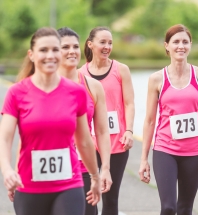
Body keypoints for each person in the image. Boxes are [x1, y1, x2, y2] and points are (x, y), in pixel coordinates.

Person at [0, 27, 101, 215]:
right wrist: (7, 171)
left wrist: (95, 176)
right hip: (29, 184)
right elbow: (5, 139)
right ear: (31, 55)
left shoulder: (76, 92)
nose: (50, 55)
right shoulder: (16, 93)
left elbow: (85, 141)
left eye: (55, 49)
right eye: (43, 50)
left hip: (69, 184)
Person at [138, 24, 198, 215]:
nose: (181, 46)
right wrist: (143, 158)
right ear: (167, 46)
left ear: (190, 45)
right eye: (176, 42)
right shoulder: (156, 79)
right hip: (165, 150)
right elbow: (149, 120)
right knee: (169, 207)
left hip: (194, 152)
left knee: (185, 208)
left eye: (185, 42)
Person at [79, 26, 135, 215]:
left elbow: (129, 103)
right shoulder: (80, 74)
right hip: (88, 144)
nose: (107, 46)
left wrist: (129, 130)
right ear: (90, 44)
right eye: (102, 42)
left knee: (110, 199)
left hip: (116, 144)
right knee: (89, 199)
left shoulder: (121, 70)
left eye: (110, 42)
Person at [57, 27, 112, 215]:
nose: (72, 51)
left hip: (85, 168)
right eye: (65, 47)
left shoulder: (93, 86)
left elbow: (103, 131)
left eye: (75, 46)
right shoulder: (44, 85)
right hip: (54, 167)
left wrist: (104, 168)